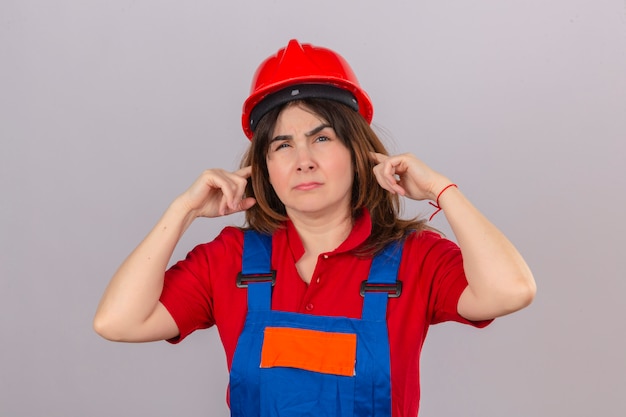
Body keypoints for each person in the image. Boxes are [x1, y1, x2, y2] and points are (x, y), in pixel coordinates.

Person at [94, 39, 536, 417]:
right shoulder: (229, 258)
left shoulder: (414, 256)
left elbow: (510, 290)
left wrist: (442, 190)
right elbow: (118, 321)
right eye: (282, 145)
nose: (303, 159)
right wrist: (182, 210)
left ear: (358, 152)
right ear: (264, 168)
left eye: (321, 138)